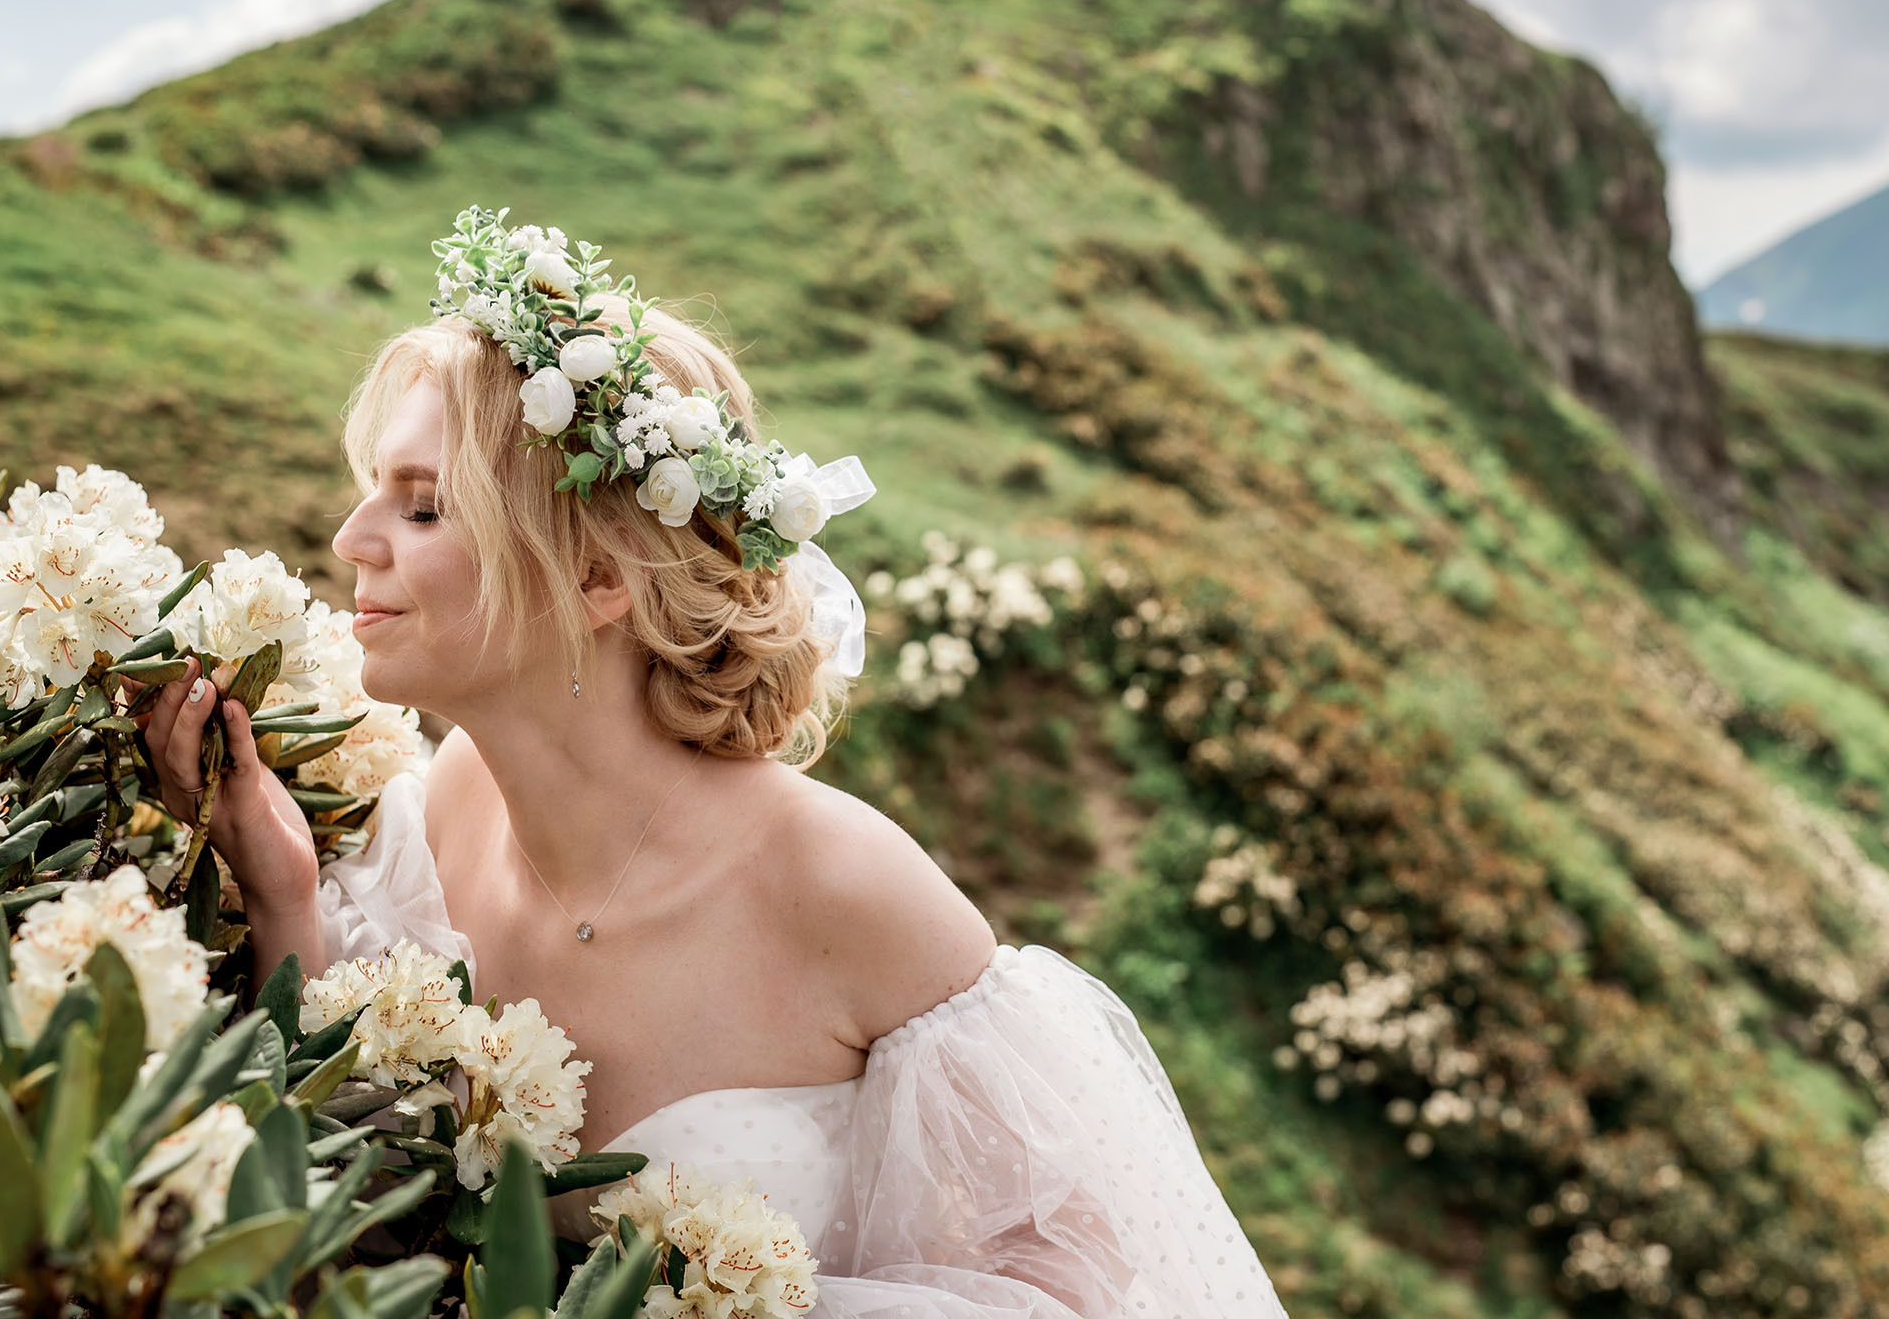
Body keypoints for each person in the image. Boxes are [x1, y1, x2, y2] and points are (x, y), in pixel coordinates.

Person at [136, 208, 1287, 1317]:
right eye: (373, 491)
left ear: (599, 580)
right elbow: (358, 1163)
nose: (352, 539)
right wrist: (281, 893)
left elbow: (1073, 1289)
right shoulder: (454, 802)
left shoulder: (841, 883)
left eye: (425, 508)